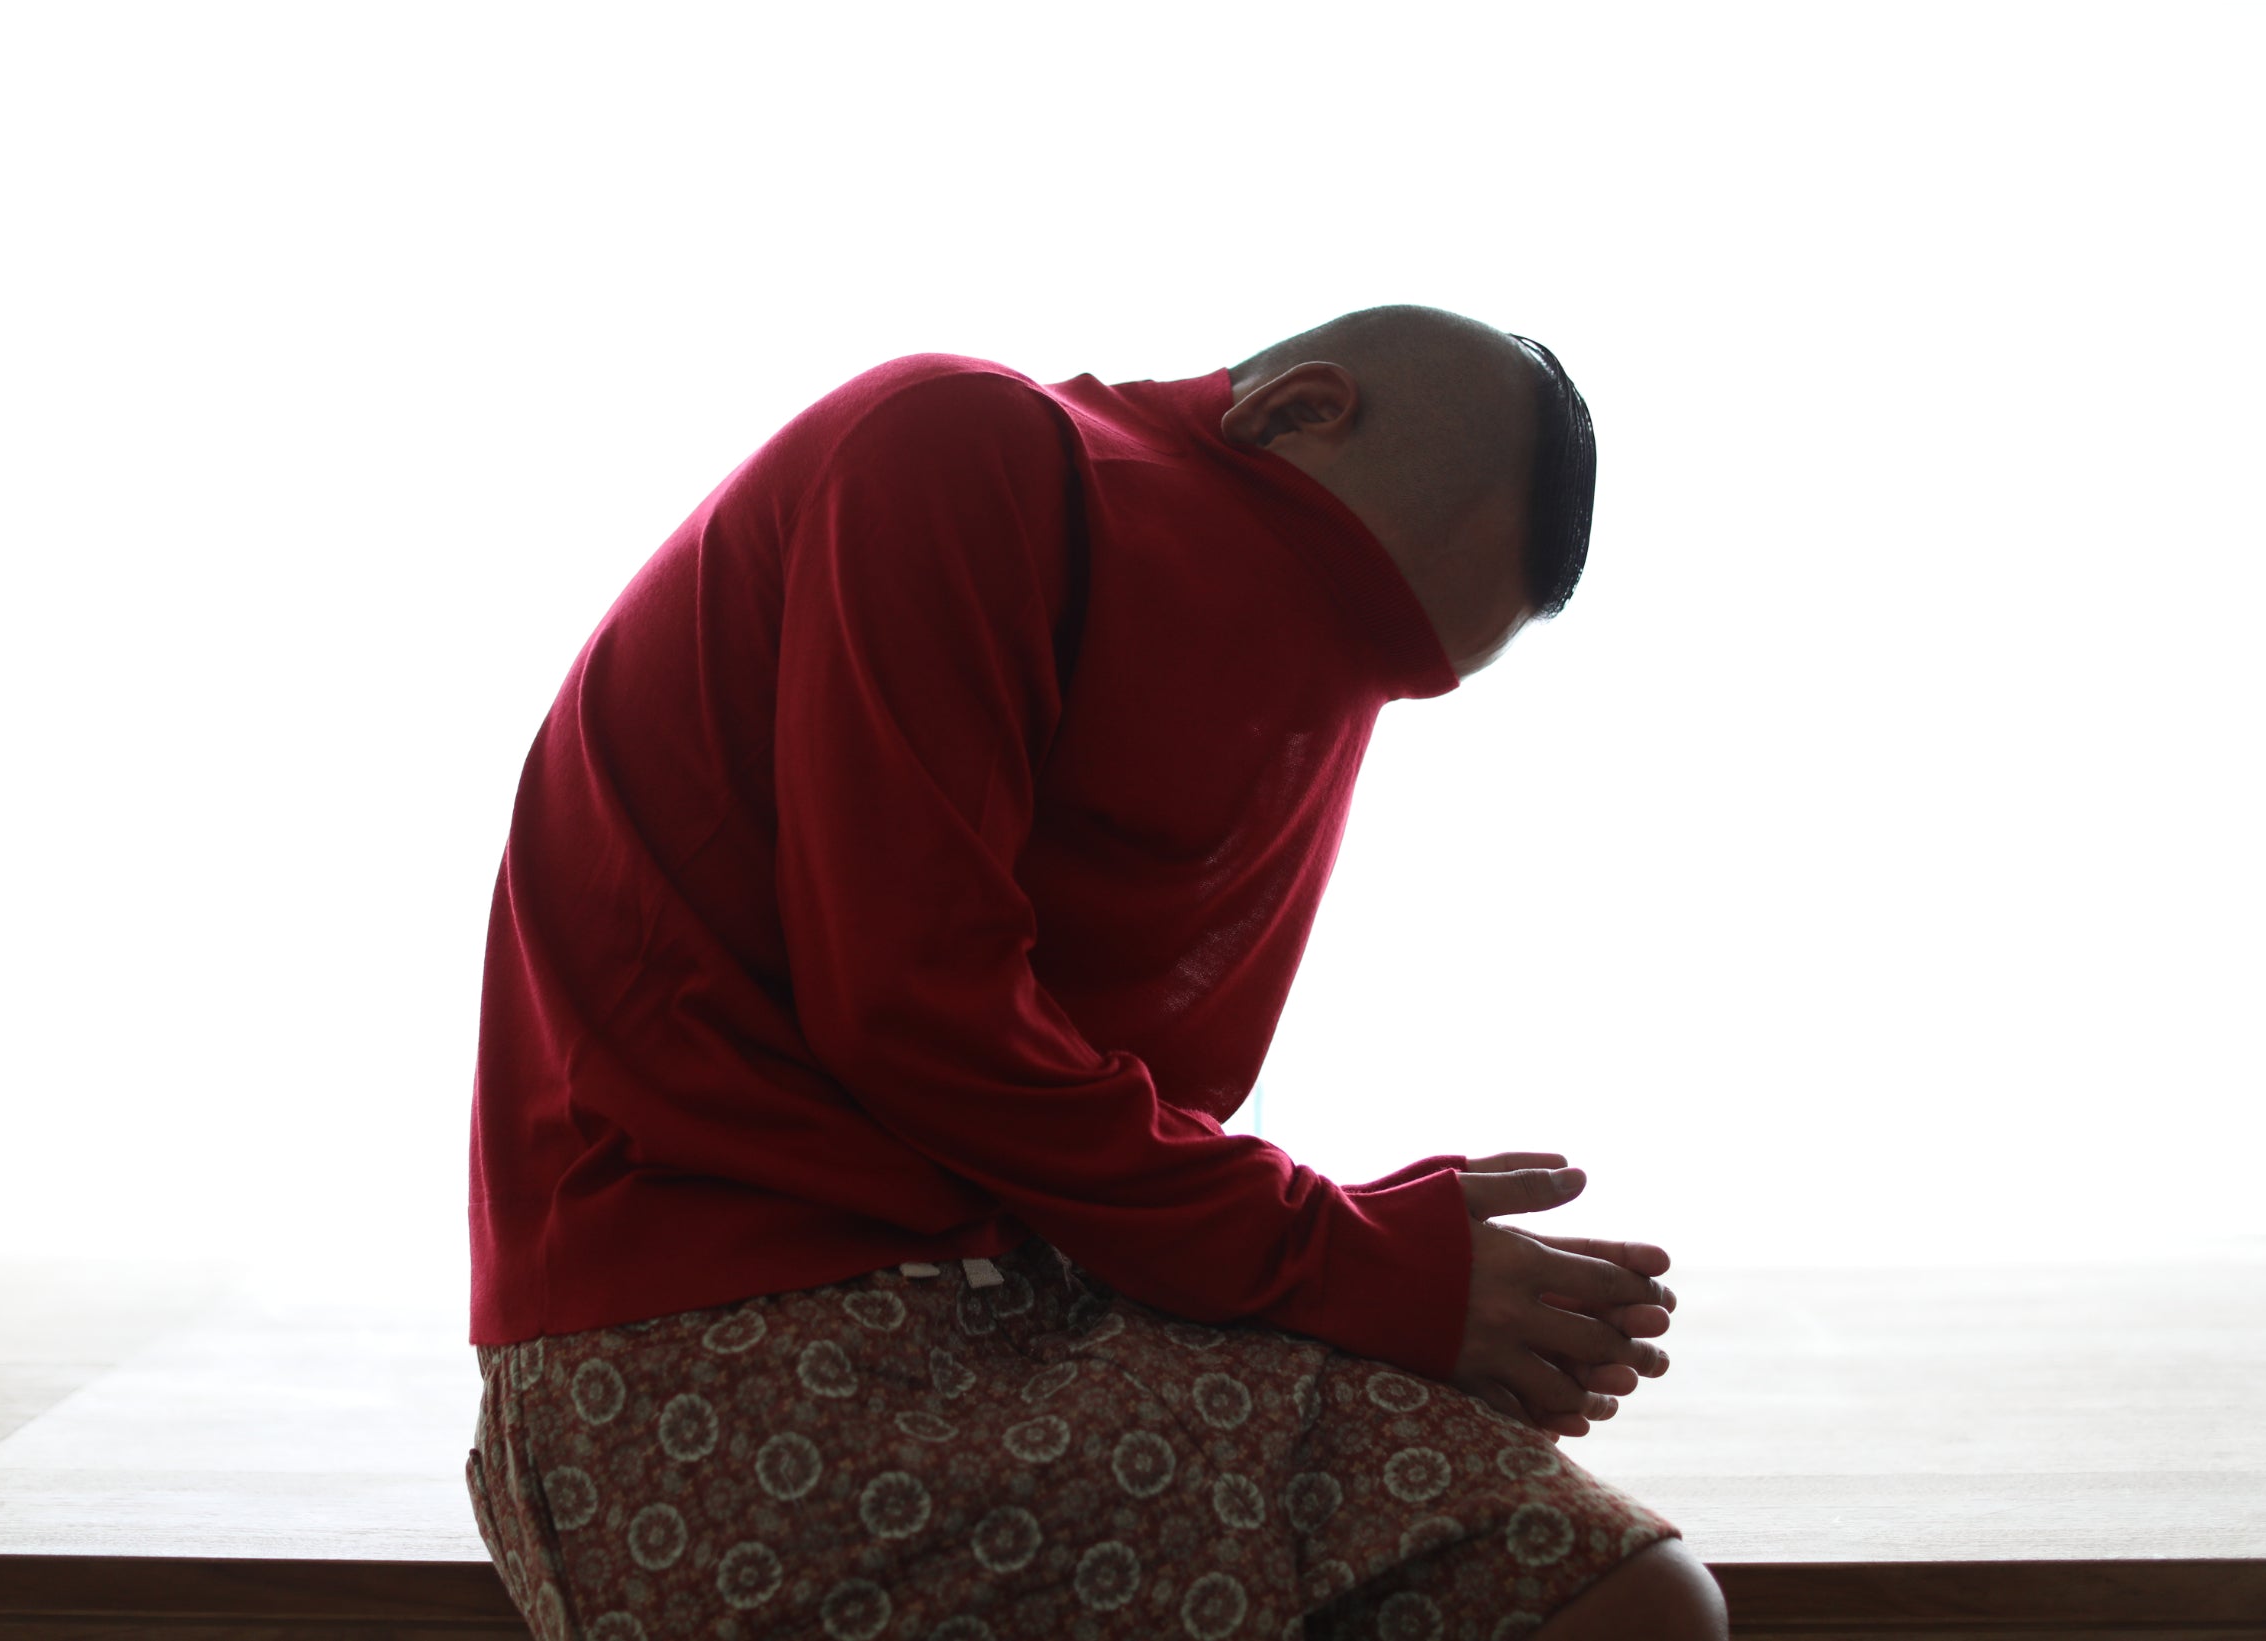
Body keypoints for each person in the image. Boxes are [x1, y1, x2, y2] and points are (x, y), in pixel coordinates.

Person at [462, 304, 1726, 1641]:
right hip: (717, 1358)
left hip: (1004, 1307)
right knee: (1618, 1606)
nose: (1313, 716)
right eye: (1329, 608)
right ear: (1293, 412)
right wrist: (1340, 1259)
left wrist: (1370, 1264)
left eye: (1382, 686)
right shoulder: (957, 444)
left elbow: (1101, 1101)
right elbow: (912, 1010)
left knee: (1601, 1584)